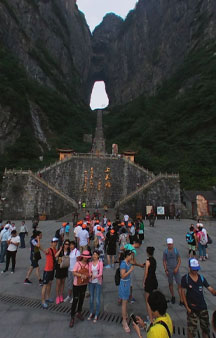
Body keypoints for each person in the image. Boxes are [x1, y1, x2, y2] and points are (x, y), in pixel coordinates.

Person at [181, 258, 216, 338]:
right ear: (189, 267)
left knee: (206, 329)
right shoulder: (185, 279)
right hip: (191, 308)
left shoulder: (201, 278)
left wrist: (214, 292)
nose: (195, 271)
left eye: (196, 269)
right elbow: (182, 293)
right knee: (191, 330)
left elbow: (210, 289)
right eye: (194, 269)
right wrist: (187, 307)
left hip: (202, 308)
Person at [69, 250, 91, 328]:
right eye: (85, 257)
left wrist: (88, 275)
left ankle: (79, 312)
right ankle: (72, 317)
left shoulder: (88, 264)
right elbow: (74, 272)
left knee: (81, 299)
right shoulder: (77, 263)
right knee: (75, 300)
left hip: (84, 284)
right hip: (77, 284)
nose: (86, 258)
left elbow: (89, 273)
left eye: (87, 257)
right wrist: (81, 275)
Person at [163, 238, 183, 305]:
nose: (169, 245)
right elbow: (164, 261)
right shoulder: (165, 252)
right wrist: (165, 269)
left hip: (175, 268)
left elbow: (179, 260)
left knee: (179, 284)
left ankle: (181, 299)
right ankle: (173, 296)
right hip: (169, 269)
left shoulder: (175, 250)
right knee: (170, 283)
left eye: (170, 244)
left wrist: (177, 268)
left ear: (173, 244)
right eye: (168, 244)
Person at [119, 250, 134, 333]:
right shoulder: (123, 264)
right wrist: (130, 270)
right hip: (124, 284)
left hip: (127, 283)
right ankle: (124, 321)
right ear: (127, 256)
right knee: (124, 303)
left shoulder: (128, 263)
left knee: (126, 301)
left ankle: (125, 316)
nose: (131, 257)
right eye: (130, 255)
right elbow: (123, 275)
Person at [41, 237, 58, 309]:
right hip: (47, 270)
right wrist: (40, 246)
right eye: (54, 242)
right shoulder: (49, 249)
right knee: (45, 285)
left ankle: (47, 297)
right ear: (51, 243)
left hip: (52, 270)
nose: (55, 243)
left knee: (50, 284)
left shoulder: (55, 250)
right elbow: (44, 250)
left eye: (56, 242)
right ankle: (43, 301)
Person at [88, 250, 103, 323]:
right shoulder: (90, 263)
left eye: (95, 255)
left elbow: (100, 273)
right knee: (91, 298)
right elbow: (89, 271)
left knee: (97, 299)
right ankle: (91, 312)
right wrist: (91, 275)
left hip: (98, 282)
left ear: (98, 256)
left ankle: (96, 313)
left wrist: (95, 276)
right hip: (91, 282)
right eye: (93, 255)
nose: (94, 256)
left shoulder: (100, 263)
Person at [143, 247, 158, 324]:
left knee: (148, 301)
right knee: (152, 299)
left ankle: (150, 318)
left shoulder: (148, 261)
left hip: (149, 281)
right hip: (154, 280)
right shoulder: (154, 260)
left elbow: (146, 273)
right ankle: (154, 316)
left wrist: (144, 282)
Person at [55, 239, 70, 304]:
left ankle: (61, 295)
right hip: (59, 268)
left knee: (63, 282)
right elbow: (56, 256)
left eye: (68, 244)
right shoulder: (61, 250)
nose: (67, 245)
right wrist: (60, 249)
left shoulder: (69, 251)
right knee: (58, 283)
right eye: (66, 244)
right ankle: (57, 296)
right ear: (63, 244)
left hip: (65, 268)